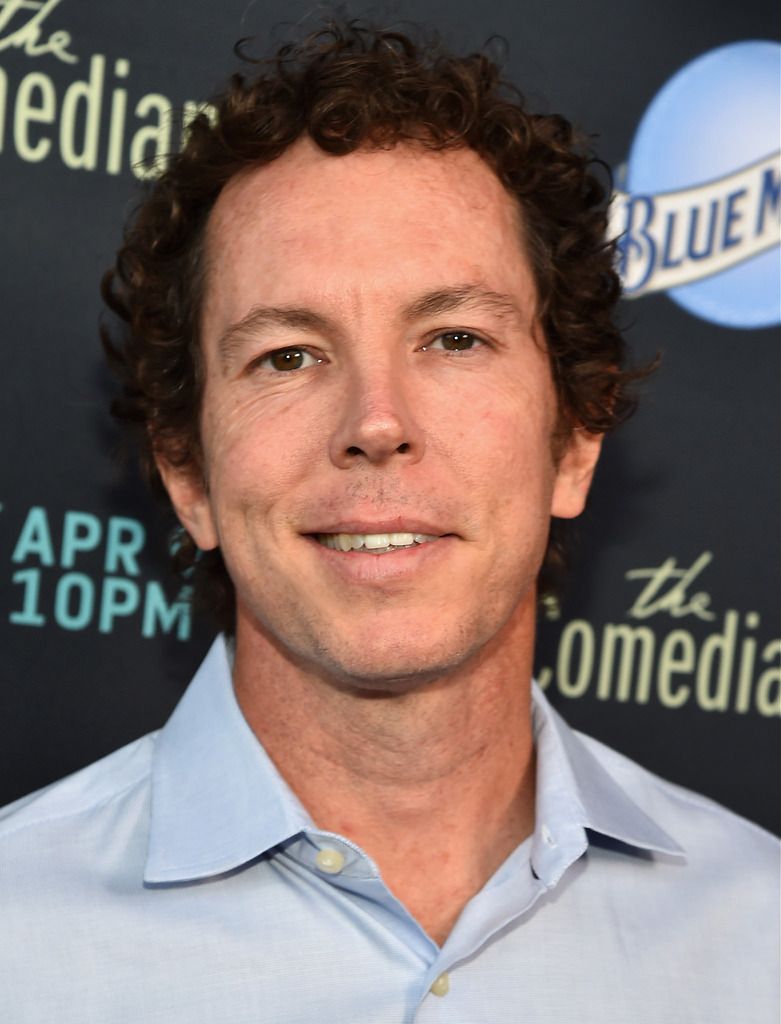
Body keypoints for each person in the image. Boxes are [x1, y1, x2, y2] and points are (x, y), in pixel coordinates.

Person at [1, 22, 777, 1024]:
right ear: (187, 472)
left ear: (574, 442)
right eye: (287, 354)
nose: (376, 422)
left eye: (453, 338)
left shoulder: (757, 940)